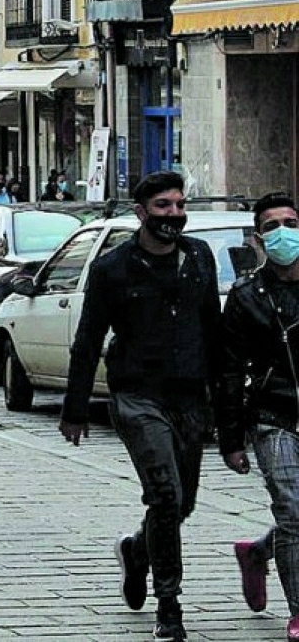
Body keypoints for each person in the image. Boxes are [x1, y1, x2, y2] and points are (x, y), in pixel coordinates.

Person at [59, 170, 222, 642]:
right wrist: (73, 408)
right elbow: (88, 340)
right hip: (137, 396)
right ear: (141, 213)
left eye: (179, 205)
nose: (174, 214)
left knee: (182, 503)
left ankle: (136, 550)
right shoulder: (113, 269)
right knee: (166, 496)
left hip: (189, 396)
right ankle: (169, 607)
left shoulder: (198, 258)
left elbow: (211, 328)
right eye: (163, 206)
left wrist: (223, 403)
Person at [215, 191, 299, 641]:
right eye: (272, 226)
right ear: (258, 238)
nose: (284, 232)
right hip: (276, 414)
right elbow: (228, 370)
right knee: (294, 512)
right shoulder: (248, 295)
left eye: (291, 221)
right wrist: (230, 438)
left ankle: (258, 553)